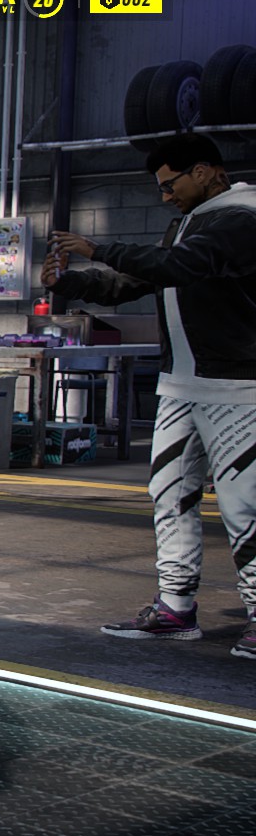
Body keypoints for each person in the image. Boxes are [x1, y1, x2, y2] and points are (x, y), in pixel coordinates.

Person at [43, 133, 256, 660]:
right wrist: (71, 284)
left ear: (204, 171)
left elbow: (180, 267)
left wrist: (97, 249)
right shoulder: (189, 223)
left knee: (245, 508)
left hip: (238, 390)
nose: (165, 196)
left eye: (170, 184)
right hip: (181, 386)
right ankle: (175, 608)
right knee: (169, 494)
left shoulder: (242, 219)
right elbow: (134, 281)